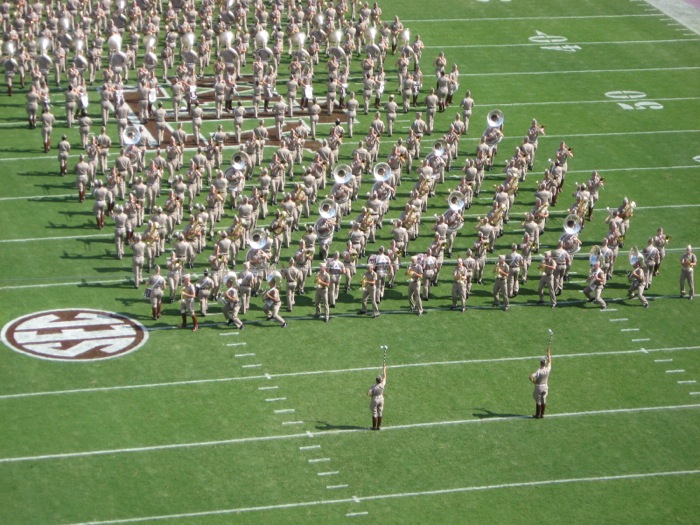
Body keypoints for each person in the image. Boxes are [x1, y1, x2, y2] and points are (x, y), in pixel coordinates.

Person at [529, 343, 552, 419]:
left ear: (540, 363)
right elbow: (550, 362)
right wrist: (548, 353)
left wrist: (534, 382)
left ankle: (537, 415)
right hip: (545, 387)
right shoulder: (548, 369)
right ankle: (542, 414)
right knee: (544, 400)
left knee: (538, 401)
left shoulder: (539, 371)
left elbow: (531, 377)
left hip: (539, 387)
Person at [367, 363, 387, 430]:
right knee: (380, 412)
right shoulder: (382, 384)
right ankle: (379, 427)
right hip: (381, 398)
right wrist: (384, 368)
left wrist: (371, 395)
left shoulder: (373, 387)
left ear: (376, 380)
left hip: (375, 399)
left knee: (374, 413)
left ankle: (374, 427)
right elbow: (385, 376)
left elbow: (368, 393)